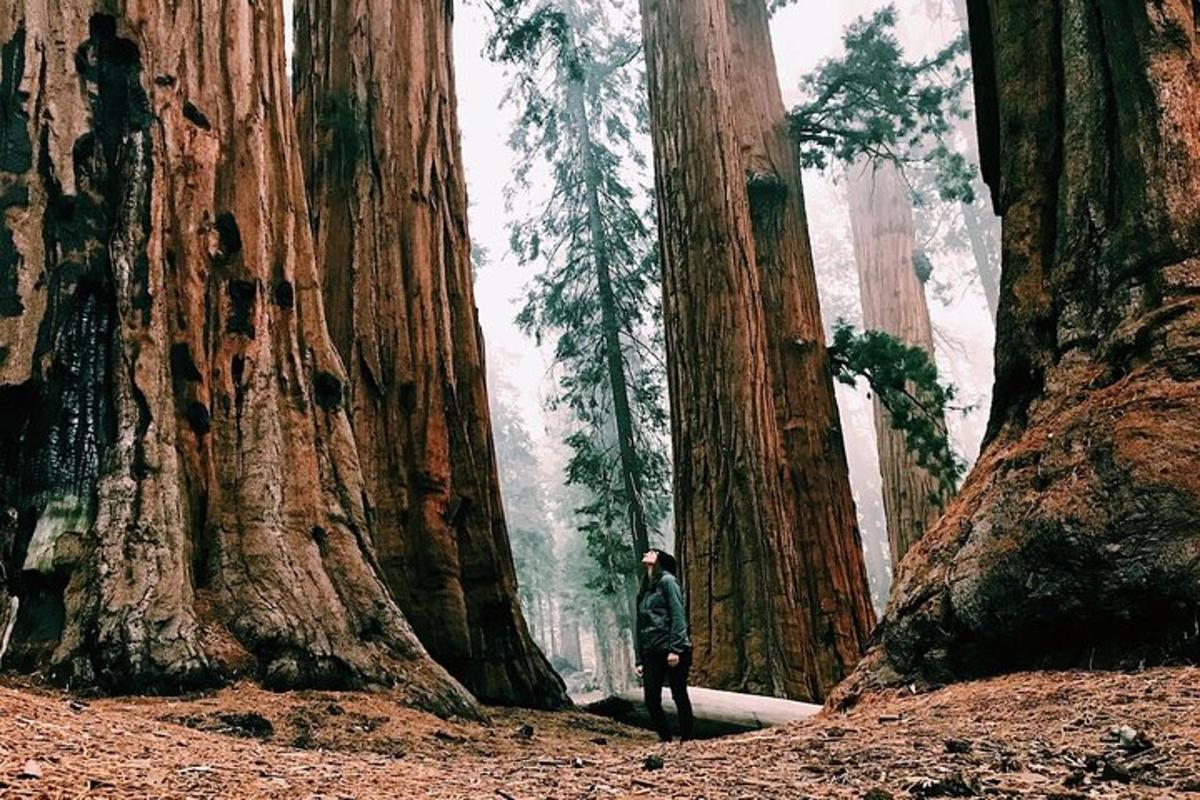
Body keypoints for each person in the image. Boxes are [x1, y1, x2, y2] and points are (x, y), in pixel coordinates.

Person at [634, 548, 694, 742]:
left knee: (679, 694)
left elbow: (678, 615)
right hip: (651, 651)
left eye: (652, 552)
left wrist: (675, 649)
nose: (647, 554)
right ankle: (666, 739)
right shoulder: (645, 586)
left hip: (672, 650)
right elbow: (640, 624)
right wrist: (639, 659)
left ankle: (687, 738)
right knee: (651, 699)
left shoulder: (668, 581)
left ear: (659, 559)